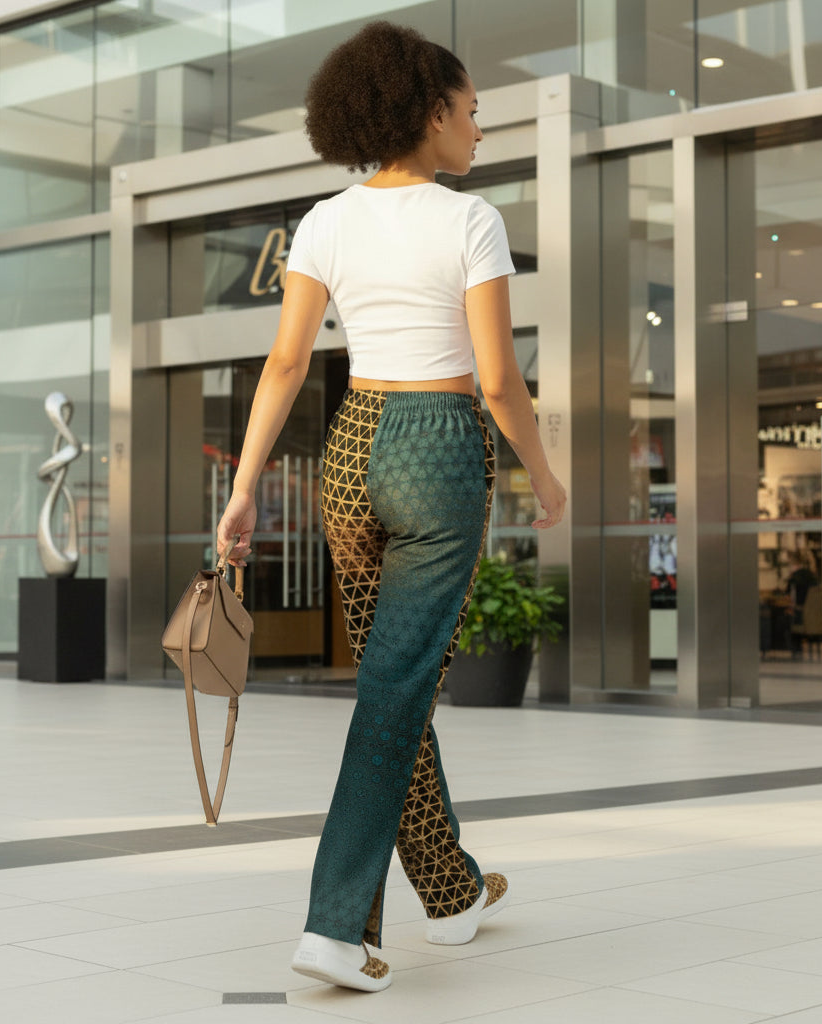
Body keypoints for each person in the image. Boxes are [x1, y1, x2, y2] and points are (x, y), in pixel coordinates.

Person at [216, 21, 566, 993]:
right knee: (396, 687)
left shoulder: (324, 217)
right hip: (437, 447)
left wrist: (244, 487)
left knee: (392, 679)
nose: (479, 131)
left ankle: (449, 889)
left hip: (348, 449)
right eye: (471, 111)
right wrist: (543, 472)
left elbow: (287, 362)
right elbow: (498, 380)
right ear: (428, 112)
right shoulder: (472, 220)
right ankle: (335, 926)